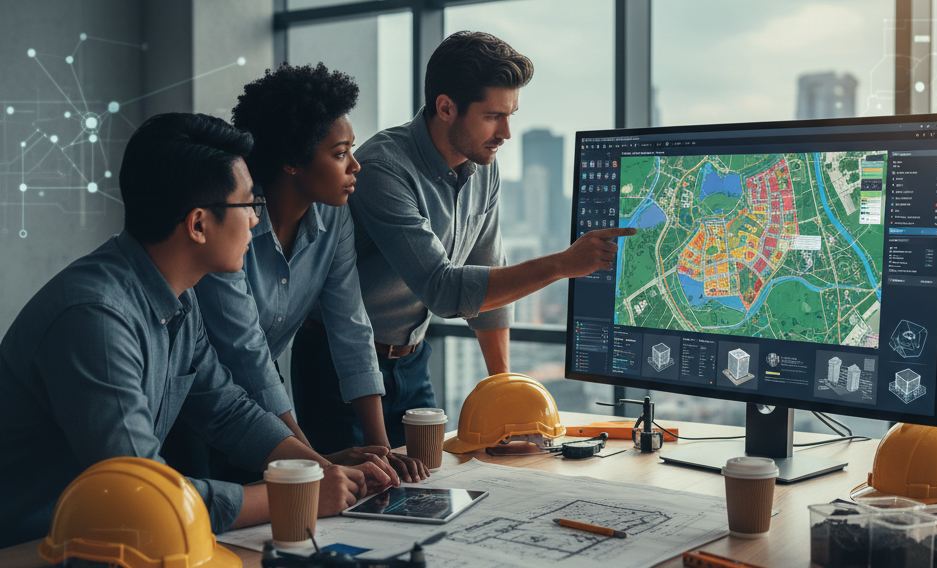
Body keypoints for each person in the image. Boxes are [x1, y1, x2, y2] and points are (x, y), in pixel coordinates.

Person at [0, 113, 391, 547]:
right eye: (249, 205)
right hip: (33, 546)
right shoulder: (95, 320)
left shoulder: (180, 298)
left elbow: (228, 410)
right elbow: (143, 497)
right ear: (199, 224)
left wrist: (318, 470)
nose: (257, 222)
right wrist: (294, 493)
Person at [292, 31, 634, 448]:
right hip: (337, 366)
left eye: (511, 114)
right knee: (352, 499)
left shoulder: (483, 164)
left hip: (413, 360)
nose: (506, 132)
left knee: (426, 481)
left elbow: (488, 280)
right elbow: (445, 290)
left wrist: (504, 392)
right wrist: (562, 264)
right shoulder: (383, 168)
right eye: (493, 115)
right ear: (446, 107)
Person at [163, 63, 428, 484]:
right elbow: (243, 349)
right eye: (340, 154)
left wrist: (380, 449)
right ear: (292, 163)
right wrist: (314, 465)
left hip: (262, 396)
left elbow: (351, 326)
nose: (356, 166)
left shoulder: (335, 217)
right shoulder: (230, 223)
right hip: (196, 402)